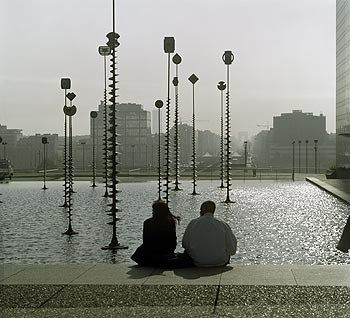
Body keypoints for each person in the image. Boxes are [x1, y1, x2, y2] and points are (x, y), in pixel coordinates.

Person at [131, 201, 192, 267]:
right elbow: (173, 241)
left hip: (149, 253)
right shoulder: (170, 222)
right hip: (166, 252)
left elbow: (145, 241)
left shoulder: (148, 222)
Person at [182, 200, 237, 267]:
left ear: (203, 210)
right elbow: (232, 249)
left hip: (197, 261)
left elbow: (185, 244)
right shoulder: (223, 224)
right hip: (220, 261)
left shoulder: (193, 223)